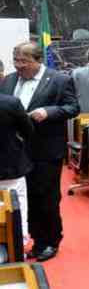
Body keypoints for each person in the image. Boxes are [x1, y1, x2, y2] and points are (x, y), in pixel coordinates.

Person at [0, 42, 80, 262]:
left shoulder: (59, 80)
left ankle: (50, 241)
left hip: (46, 150)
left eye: (23, 61)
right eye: (15, 59)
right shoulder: (8, 80)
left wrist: (49, 111)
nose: (18, 65)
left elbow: (73, 107)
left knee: (45, 198)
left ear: (38, 60)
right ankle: (28, 238)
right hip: (14, 152)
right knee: (21, 200)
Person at [0, 94, 34, 238]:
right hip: (9, 165)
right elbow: (28, 130)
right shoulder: (10, 102)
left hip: (9, 165)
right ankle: (18, 248)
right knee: (16, 208)